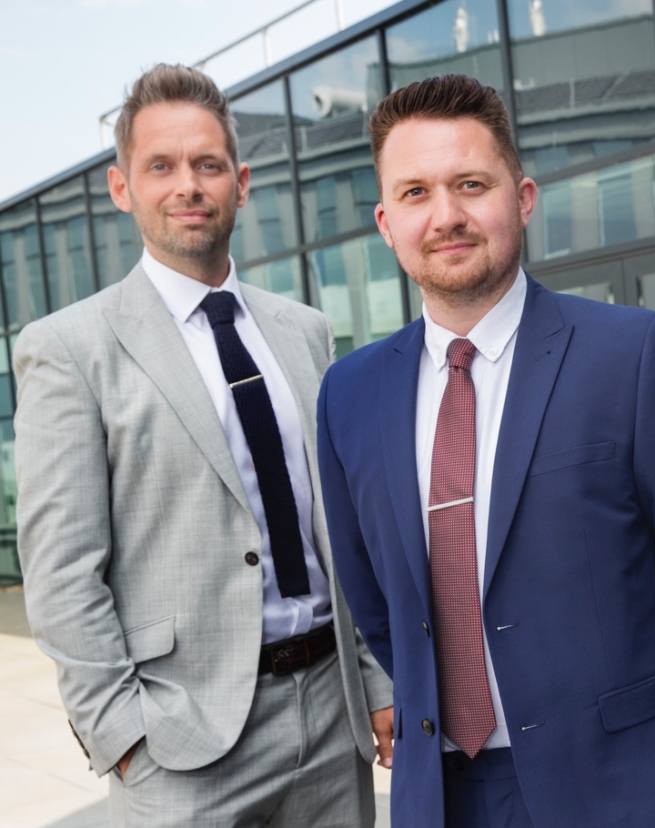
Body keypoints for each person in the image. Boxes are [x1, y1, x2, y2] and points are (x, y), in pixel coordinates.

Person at [317, 74, 655, 828]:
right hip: (446, 796)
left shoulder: (628, 357)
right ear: (386, 222)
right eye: (416, 193)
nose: (447, 216)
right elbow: (377, 605)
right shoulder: (349, 395)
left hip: (631, 792)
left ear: (522, 197)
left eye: (470, 184)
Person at [14, 64, 392, 827]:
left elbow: (338, 529)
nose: (187, 184)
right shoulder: (69, 348)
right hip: (181, 743)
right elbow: (60, 572)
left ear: (241, 183)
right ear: (123, 188)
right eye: (161, 166)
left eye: (207, 164)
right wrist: (121, 734)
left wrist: (374, 682)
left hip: (330, 715)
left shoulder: (304, 330)